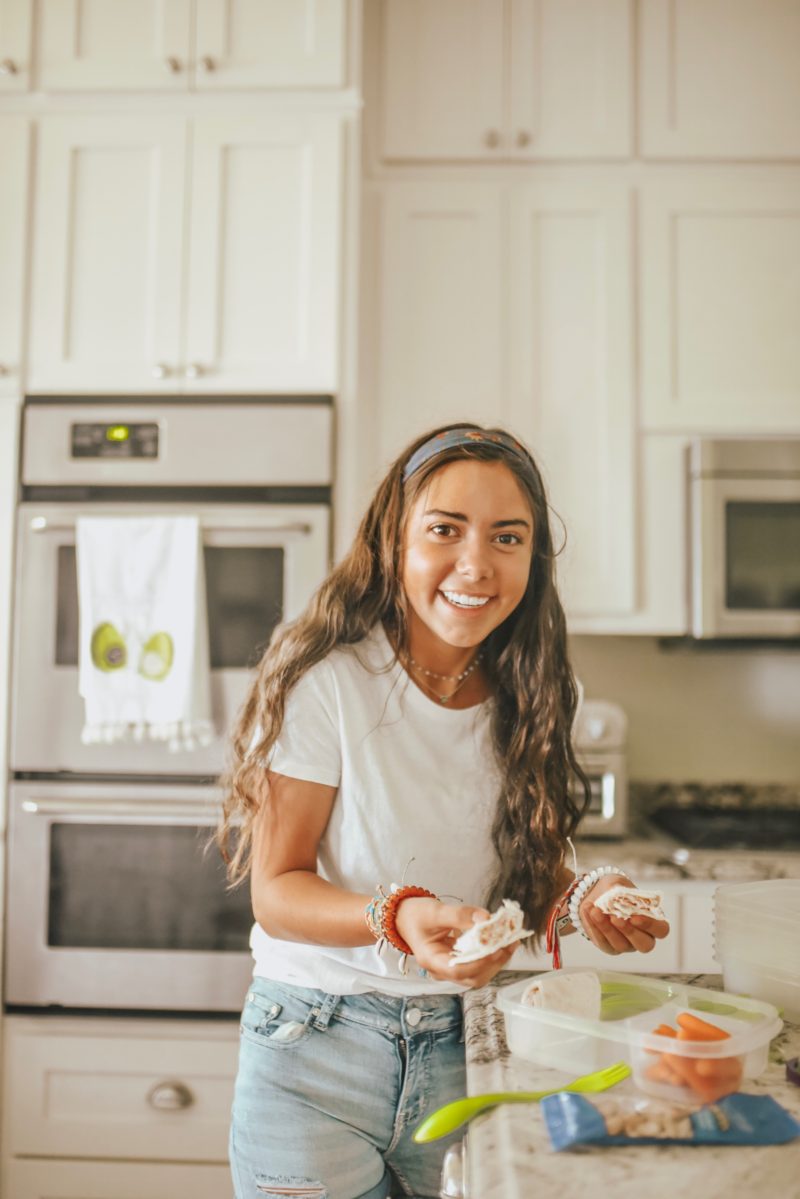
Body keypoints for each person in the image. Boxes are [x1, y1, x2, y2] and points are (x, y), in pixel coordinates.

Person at [218, 422, 670, 1199]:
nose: (476, 564)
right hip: (314, 1046)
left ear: (534, 557)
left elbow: (522, 872)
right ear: (394, 542)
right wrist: (397, 914)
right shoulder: (327, 683)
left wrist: (581, 895)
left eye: (507, 536)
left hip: (469, 1046)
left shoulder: (538, 694)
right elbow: (278, 888)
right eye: (445, 530)